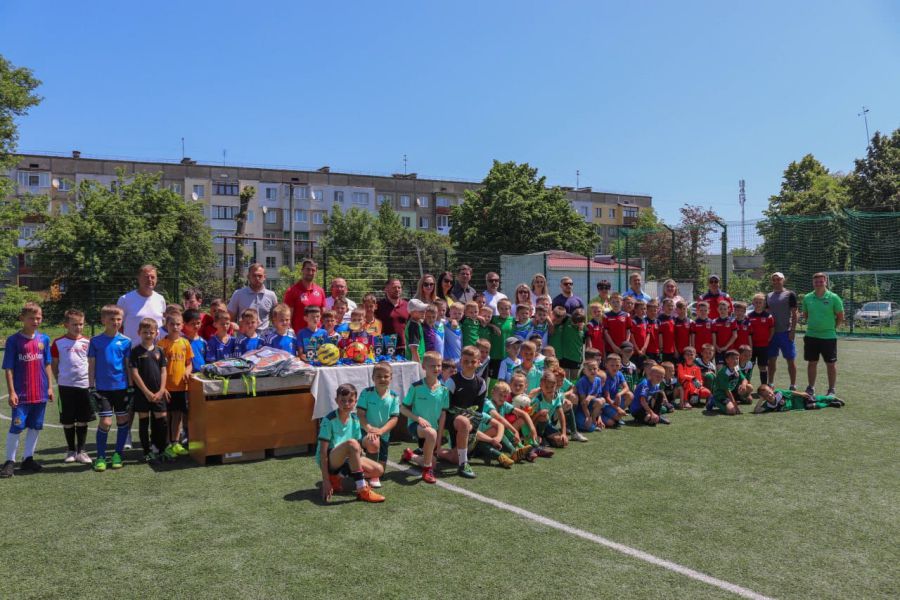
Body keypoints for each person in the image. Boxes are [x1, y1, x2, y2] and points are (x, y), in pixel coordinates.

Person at [2, 303, 54, 478]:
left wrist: (49, 387)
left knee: (35, 426)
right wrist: (12, 392)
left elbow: (47, 364)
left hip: (40, 393)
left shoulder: (44, 339)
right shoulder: (13, 340)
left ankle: (28, 458)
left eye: (39, 318)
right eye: (32, 318)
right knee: (17, 427)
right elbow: (8, 368)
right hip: (21, 394)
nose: (36, 321)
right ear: (22, 318)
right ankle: (9, 461)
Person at [318, 384, 385, 503]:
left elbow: (357, 449)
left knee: (379, 470)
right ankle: (362, 489)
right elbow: (322, 453)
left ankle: (338, 477)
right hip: (331, 460)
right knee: (352, 443)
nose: (346, 404)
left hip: (347, 458)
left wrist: (358, 459)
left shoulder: (355, 419)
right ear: (336, 401)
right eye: (342, 400)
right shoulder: (328, 420)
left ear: (355, 402)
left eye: (350, 401)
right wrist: (325, 480)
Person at [88, 305, 133, 472]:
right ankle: (100, 457)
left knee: (122, 420)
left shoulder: (126, 341)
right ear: (103, 320)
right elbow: (91, 365)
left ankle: (117, 454)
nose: (116, 322)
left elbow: (128, 366)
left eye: (119, 319)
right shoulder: (95, 341)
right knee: (106, 421)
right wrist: (91, 386)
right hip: (103, 389)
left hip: (121, 388)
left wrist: (131, 386)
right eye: (112, 319)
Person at [51, 309, 94, 465]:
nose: (78, 327)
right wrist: (59, 378)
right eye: (74, 324)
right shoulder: (58, 343)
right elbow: (54, 364)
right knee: (68, 420)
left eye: (81, 324)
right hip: (66, 386)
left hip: (84, 386)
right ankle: (71, 450)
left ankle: (81, 451)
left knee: (83, 419)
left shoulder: (88, 342)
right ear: (66, 325)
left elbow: (91, 363)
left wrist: (91, 382)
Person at [399, 352, 449, 483]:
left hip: (432, 432)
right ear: (423, 367)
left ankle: (411, 456)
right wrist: (418, 419)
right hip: (416, 426)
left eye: (438, 365)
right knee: (431, 434)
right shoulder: (416, 387)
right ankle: (427, 471)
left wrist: (439, 437)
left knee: (433, 462)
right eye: (432, 366)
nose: (436, 368)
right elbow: (403, 409)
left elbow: (443, 414)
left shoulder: (444, 390)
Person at [441, 346, 489, 478]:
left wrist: (470, 426)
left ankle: (436, 453)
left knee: (454, 458)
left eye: (473, 362)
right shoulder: (452, 381)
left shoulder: (481, 383)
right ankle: (464, 464)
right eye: (466, 361)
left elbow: (478, 412)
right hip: (451, 420)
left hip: (468, 423)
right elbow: (445, 408)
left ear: (479, 363)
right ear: (460, 361)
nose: (469, 364)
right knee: (463, 421)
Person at [128, 318, 169, 464]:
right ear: (139, 333)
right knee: (144, 421)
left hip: (158, 393)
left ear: (156, 333)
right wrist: (146, 392)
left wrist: (161, 390)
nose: (148, 335)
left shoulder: (160, 351)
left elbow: (163, 371)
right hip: (142, 394)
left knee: (162, 420)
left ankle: (161, 449)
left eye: (151, 332)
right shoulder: (135, 351)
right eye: (145, 332)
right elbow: (134, 373)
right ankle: (147, 451)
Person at [357, 363, 400, 488]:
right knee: (373, 441)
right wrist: (369, 429)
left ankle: (361, 469)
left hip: (383, 434)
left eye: (386, 376)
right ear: (373, 378)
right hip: (365, 432)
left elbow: (394, 419)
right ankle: (368, 471)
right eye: (379, 376)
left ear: (391, 378)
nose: (382, 379)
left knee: (381, 471)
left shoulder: (394, 396)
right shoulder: (366, 393)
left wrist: (381, 431)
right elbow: (360, 414)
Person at [801, 272, 844, 396]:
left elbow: (840, 316)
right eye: (816, 282)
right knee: (812, 363)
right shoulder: (807, 297)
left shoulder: (834, 297)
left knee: (830, 364)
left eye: (821, 281)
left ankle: (831, 390)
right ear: (813, 283)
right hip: (811, 336)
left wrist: (832, 328)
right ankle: (811, 388)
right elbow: (806, 315)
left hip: (828, 337)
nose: (818, 284)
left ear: (825, 282)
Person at [158, 313, 193, 458]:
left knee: (178, 416)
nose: (175, 327)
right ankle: (166, 444)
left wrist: (187, 371)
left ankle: (175, 442)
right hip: (166, 388)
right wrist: (163, 387)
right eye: (172, 324)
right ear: (166, 326)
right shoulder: (161, 344)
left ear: (182, 325)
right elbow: (158, 368)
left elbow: (189, 363)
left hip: (181, 387)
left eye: (178, 324)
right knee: (166, 417)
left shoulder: (185, 343)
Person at [766, 272, 799, 390]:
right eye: (774, 279)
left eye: (779, 279)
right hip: (772, 334)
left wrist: (793, 330)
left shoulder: (790, 294)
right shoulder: (768, 296)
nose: (776, 281)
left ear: (783, 280)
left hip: (786, 333)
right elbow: (767, 314)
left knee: (790, 360)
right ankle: (770, 383)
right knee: (771, 360)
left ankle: (793, 385)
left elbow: (795, 314)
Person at [117, 264, 167, 341]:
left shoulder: (160, 299)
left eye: (152, 277)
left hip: (156, 348)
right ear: (139, 278)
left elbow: (163, 324)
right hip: (132, 348)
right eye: (146, 277)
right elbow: (118, 326)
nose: (150, 280)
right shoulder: (125, 299)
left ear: (156, 279)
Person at [227, 263, 278, 332]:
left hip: (264, 337)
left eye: (260, 276)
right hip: (244, 336)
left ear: (264, 277)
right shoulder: (238, 294)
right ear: (248, 277)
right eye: (254, 275)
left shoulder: (271, 295)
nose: (257, 278)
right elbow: (229, 318)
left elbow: (276, 318)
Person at [283, 258, 327, 333]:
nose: (310, 272)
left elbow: (323, 316)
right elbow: (287, 317)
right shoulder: (292, 291)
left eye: (313, 270)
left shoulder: (320, 291)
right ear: (302, 270)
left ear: (316, 272)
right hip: (299, 335)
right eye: (308, 269)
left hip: (317, 336)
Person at [753, 384, 844, 414]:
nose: (769, 395)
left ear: (772, 390)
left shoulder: (779, 393)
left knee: (815, 398)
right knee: (815, 406)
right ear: (764, 398)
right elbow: (756, 411)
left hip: (800, 399)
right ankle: (829, 404)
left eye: (770, 392)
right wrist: (761, 399)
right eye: (766, 396)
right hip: (801, 406)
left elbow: (791, 392)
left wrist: (802, 394)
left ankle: (831, 398)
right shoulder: (768, 405)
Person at [375, 278, 409, 355]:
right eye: (394, 287)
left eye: (399, 287)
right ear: (386, 289)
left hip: (404, 348)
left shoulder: (407, 305)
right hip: (384, 349)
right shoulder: (378, 306)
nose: (397, 290)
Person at [747, 293, 775, 385]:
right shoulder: (749, 316)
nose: (758, 304)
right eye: (756, 302)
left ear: (764, 303)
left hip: (763, 346)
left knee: (762, 367)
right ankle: (746, 385)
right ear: (753, 303)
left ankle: (764, 386)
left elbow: (772, 329)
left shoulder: (768, 316)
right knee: (749, 366)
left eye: (760, 302)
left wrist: (768, 339)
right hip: (751, 346)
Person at [711, 349, 749, 415]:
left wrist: (743, 385)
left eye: (737, 359)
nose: (736, 361)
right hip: (721, 394)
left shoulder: (736, 367)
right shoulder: (724, 372)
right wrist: (735, 406)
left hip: (732, 391)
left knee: (749, 390)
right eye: (733, 358)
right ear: (727, 360)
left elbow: (744, 379)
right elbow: (727, 391)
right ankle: (713, 401)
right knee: (732, 411)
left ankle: (737, 400)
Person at [603, 293, 632, 357]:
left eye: (618, 302)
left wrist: (625, 344)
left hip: (623, 348)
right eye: (613, 302)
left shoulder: (626, 315)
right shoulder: (606, 316)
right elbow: (606, 333)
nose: (615, 304)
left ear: (622, 303)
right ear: (610, 303)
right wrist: (613, 346)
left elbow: (628, 331)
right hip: (611, 348)